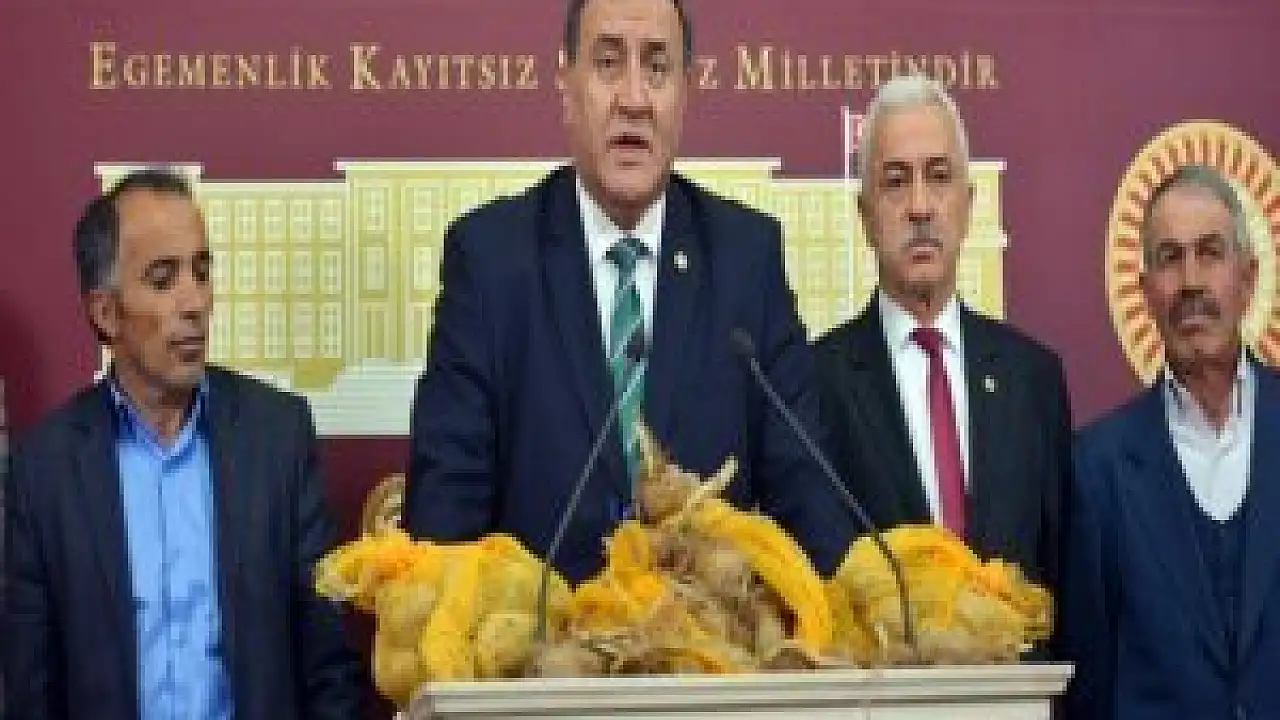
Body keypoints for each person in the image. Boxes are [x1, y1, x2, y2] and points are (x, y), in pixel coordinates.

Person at [404, 0, 853, 584]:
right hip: (542, 638)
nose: (634, 99)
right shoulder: (491, 262)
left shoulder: (746, 260)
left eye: (657, 67)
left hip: (708, 636)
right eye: (608, 64)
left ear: (686, 92)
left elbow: (809, 501)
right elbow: (445, 524)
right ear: (567, 85)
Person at [4, 169, 366, 719]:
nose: (195, 302)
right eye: (163, 279)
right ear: (105, 312)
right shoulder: (46, 469)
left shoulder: (276, 437)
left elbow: (329, 666)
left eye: (201, 271)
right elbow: (31, 691)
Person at [813, 75, 1071, 593]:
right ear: (865, 216)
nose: (920, 206)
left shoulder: (1033, 380)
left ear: (968, 204)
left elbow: (1063, 574)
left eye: (938, 177)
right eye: (895, 182)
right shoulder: (815, 384)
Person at [1063, 164, 1280, 719]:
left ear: (1249, 277)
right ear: (1146, 292)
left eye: (1210, 253)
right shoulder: (1098, 469)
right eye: (1169, 258)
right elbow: (1089, 689)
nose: (1190, 282)